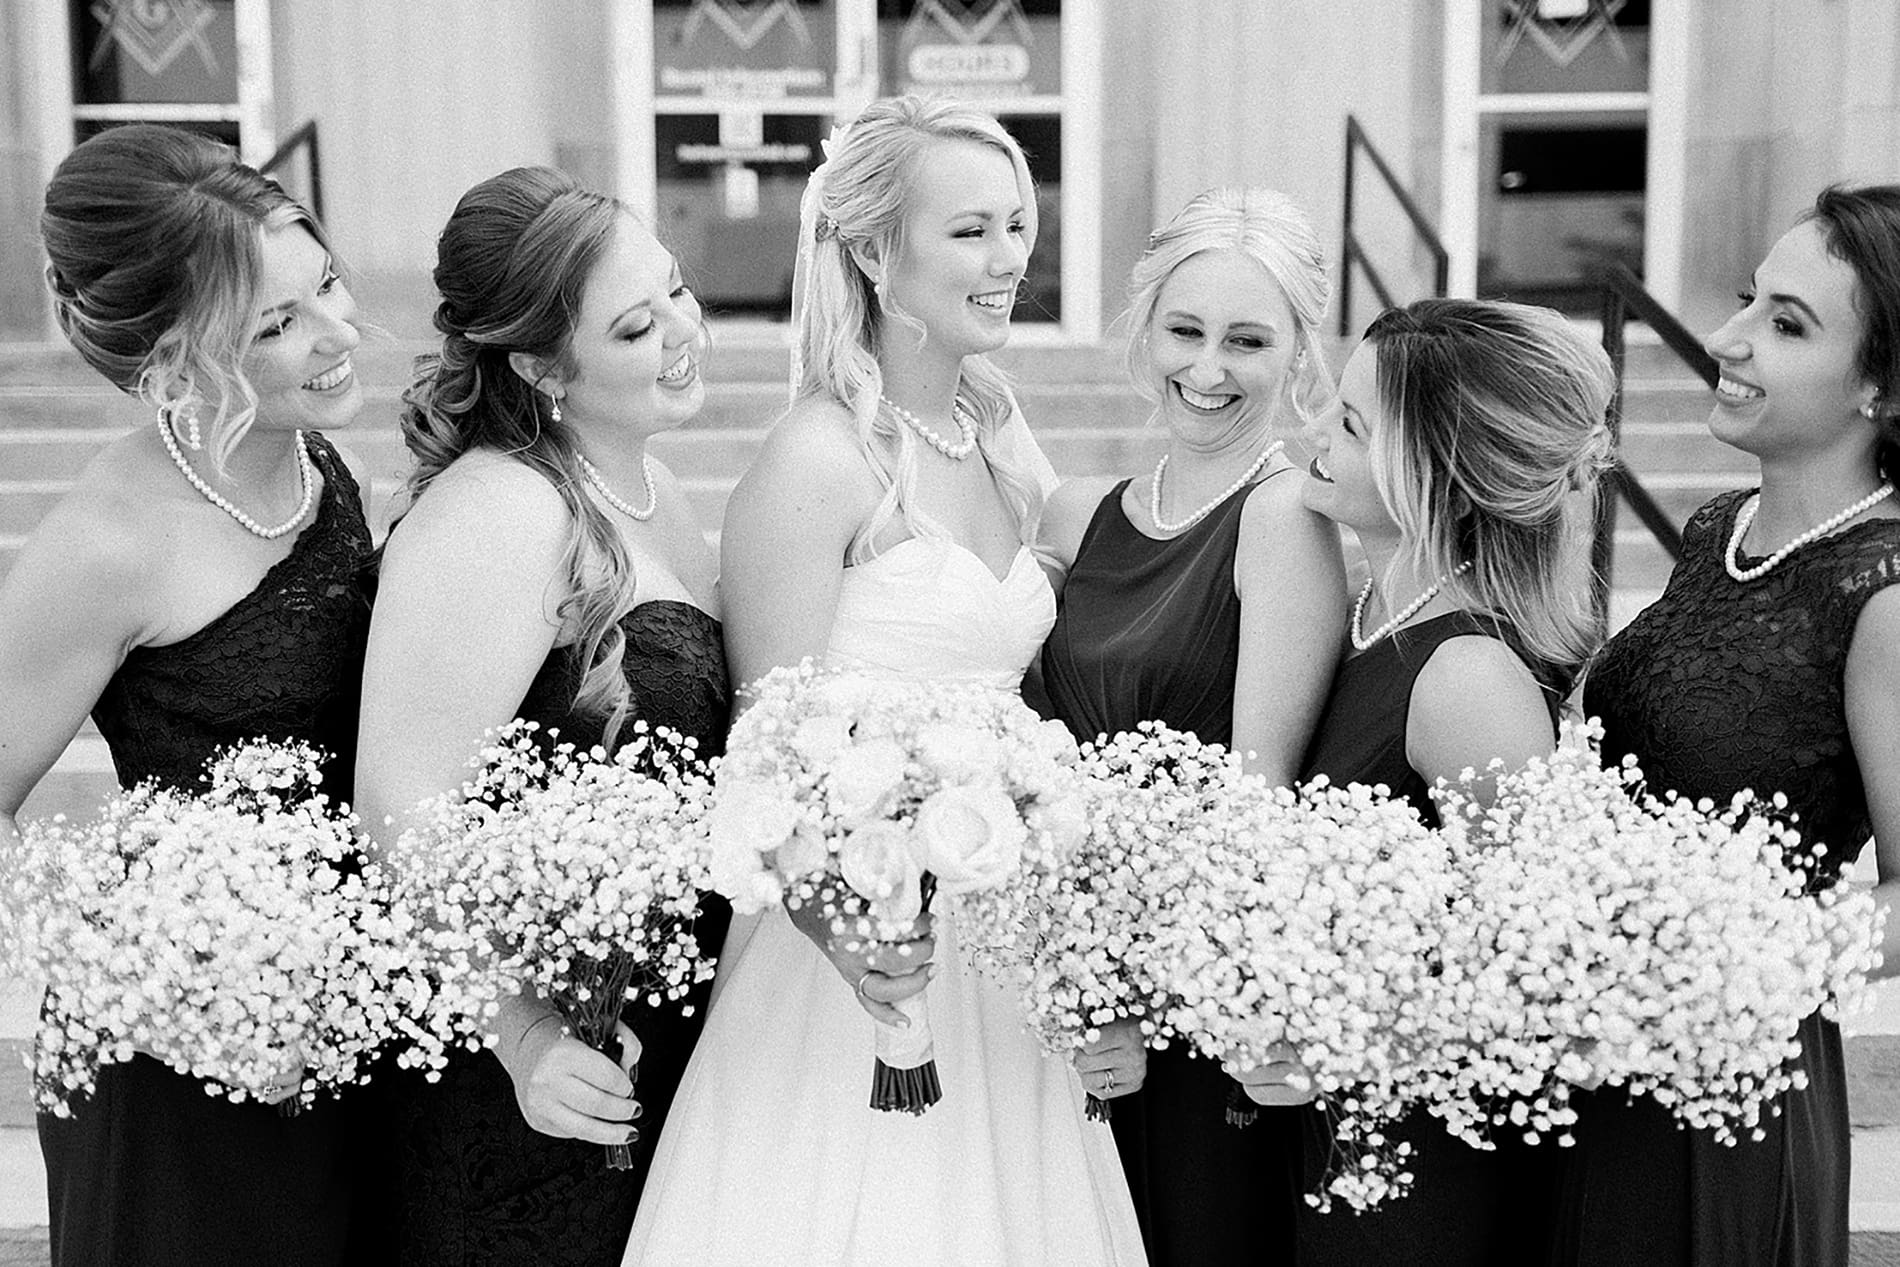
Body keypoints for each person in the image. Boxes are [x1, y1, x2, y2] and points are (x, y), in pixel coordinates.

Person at [623, 95, 1145, 1267]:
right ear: (870, 251)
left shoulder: (1000, 440)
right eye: (969, 231)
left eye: (1017, 226)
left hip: (1008, 944)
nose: (1009, 259)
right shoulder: (816, 458)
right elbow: (762, 762)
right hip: (852, 950)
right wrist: (852, 935)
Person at [0, 124, 387, 1266]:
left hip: (344, 1027)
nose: (338, 334)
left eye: (325, 283)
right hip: (172, 1074)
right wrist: (139, 965)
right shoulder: (106, 544)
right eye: (276, 325)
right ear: (174, 361)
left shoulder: (322, 463)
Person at [352, 167, 730, 1265]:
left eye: (675, 291)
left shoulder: (657, 495)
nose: (682, 334)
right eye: (634, 328)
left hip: (652, 1041)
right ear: (539, 365)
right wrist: (523, 1034)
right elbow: (399, 810)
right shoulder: (501, 509)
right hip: (531, 1083)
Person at [1556, 185, 1900, 1267]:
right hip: (1598, 1059)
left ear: (1883, 386)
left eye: (1786, 324)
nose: (1726, 337)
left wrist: (1718, 965)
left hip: (1734, 1089)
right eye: (1749, 299)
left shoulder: (1885, 592)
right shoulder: (1718, 526)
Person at [1036, 186, 1347, 1265]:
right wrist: (1071, 974)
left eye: (1247, 341)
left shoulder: (1284, 519)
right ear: (1144, 329)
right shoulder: (1076, 511)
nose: (1208, 368)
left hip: (1191, 1015)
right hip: (1066, 995)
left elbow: (1259, 803)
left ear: (1298, 355)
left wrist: (1139, 997)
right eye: (1186, 330)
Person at [1290, 298, 1614, 1266]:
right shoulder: (1357, 615)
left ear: (1432, 475)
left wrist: (1348, 1039)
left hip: (1414, 1172)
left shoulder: (1467, 678)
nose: (1316, 433)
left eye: (1352, 426)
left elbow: (1536, 983)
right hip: (1321, 1130)